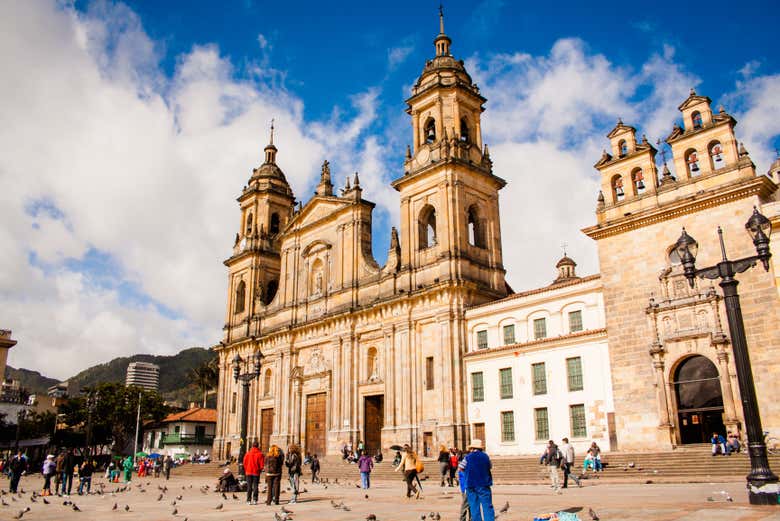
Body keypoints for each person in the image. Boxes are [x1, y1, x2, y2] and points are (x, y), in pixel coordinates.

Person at [461, 439, 494, 521]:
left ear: (472, 448)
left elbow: (461, 467)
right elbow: (490, 466)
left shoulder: (467, 457)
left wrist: (468, 472)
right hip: (483, 484)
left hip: (471, 485)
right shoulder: (485, 456)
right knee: (487, 506)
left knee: (474, 507)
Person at [243, 441, 264, 505]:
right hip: (256, 472)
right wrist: (259, 470)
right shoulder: (260, 454)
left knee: (249, 486)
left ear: (252, 446)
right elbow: (262, 465)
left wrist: (247, 469)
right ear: (258, 446)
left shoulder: (248, 453)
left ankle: (248, 500)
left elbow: (244, 463)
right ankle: (255, 499)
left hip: (248, 472)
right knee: (255, 486)